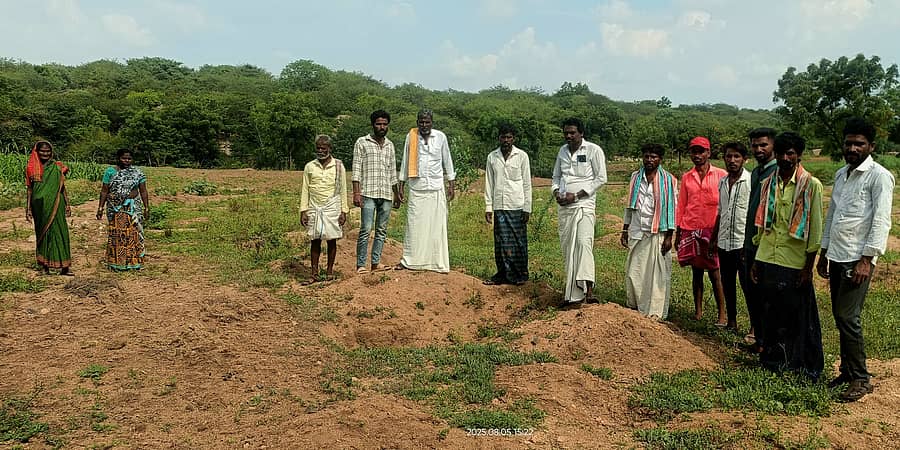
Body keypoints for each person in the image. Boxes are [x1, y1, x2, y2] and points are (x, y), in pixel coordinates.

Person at [816, 117, 894, 401]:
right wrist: (824, 252)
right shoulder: (841, 174)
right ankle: (847, 371)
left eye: (859, 144)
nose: (852, 148)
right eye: (849, 143)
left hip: (857, 258)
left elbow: (881, 220)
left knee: (848, 316)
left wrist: (867, 259)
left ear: (871, 146)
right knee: (840, 315)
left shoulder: (879, 176)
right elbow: (833, 216)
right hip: (837, 254)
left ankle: (860, 378)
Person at [750, 132, 824, 380]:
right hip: (768, 257)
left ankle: (800, 364)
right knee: (771, 314)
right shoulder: (768, 184)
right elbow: (762, 227)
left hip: (794, 261)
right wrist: (757, 260)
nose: (785, 158)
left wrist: (808, 268)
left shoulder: (811, 185)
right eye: (781, 153)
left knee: (797, 317)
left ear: (798, 155)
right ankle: (772, 361)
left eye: (790, 153)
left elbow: (815, 230)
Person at [551, 117, 607, 305]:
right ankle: (571, 294)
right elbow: (556, 177)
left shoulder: (593, 150)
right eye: (566, 133)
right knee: (569, 249)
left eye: (572, 133)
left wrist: (576, 196)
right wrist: (557, 193)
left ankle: (588, 291)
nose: (569, 136)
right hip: (565, 208)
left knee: (583, 243)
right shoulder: (562, 151)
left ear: (581, 133)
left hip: (584, 205)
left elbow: (601, 178)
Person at [675, 136, 728, 326]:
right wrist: (678, 232)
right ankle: (698, 311)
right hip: (691, 228)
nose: (697, 155)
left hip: (712, 229)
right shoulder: (687, 177)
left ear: (708, 153)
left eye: (701, 151)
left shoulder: (721, 175)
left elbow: (725, 204)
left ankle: (722, 314)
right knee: (696, 271)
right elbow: (682, 204)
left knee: (715, 272)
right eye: (694, 152)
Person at [621, 143, 677, 319]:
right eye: (646, 156)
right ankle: (636, 307)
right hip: (638, 230)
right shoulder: (635, 177)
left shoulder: (669, 180)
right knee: (635, 272)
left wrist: (669, 237)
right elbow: (629, 206)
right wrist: (624, 229)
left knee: (656, 275)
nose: (649, 160)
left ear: (660, 159)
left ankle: (654, 312)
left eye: (654, 157)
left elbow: (672, 210)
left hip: (657, 232)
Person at [397, 109, 456, 273]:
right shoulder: (411, 136)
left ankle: (436, 262)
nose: (424, 125)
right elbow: (405, 160)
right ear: (417, 122)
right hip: (417, 187)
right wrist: (401, 184)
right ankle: (410, 260)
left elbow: (447, 160)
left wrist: (451, 183)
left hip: (436, 187)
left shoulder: (440, 137)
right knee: (414, 225)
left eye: (427, 122)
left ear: (432, 123)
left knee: (437, 226)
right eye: (421, 122)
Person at [352, 110, 401, 274]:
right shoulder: (362, 142)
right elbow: (356, 169)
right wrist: (356, 193)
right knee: (366, 229)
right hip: (368, 193)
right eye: (378, 124)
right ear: (373, 125)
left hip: (386, 193)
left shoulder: (390, 145)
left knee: (381, 230)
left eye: (385, 124)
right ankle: (360, 265)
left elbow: (392, 172)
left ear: (388, 126)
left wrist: (396, 194)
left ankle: (375, 263)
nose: (382, 127)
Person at [742, 127, 778, 351]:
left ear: (773, 145)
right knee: (752, 293)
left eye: (763, 145)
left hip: (768, 245)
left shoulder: (777, 172)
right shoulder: (756, 172)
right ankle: (760, 340)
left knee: (767, 296)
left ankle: (770, 345)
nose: (758, 149)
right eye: (755, 145)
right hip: (750, 242)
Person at [483, 123, 532, 286]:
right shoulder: (492, 157)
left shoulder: (522, 156)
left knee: (518, 241)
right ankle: (502, 274)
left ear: (513, 139)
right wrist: (488, 206)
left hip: (517, 205)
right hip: (499, 205)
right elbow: (489, 183)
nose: (506, 140)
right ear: (499, 138)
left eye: (509, 137)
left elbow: (527, 183)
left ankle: (520, 275)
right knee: (501, 241)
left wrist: (527, 207)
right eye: (503, 137)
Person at [711, 142, 751, 330]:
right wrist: (714, 238)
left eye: (736, 157)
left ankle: (754, 327)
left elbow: (753, 214)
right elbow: (720, 211)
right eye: (729, 156)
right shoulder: (722, 182)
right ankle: (732, 321)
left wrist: (749, 243)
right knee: (727, 283)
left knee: (748, 285)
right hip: (724, 242)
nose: (732, 160)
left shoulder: (750, 182)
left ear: (744, 159)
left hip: (742, 243)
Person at [300, 135, 349, 283]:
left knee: (331, 239)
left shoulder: (338, 166)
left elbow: (343, 189)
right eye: (318, 148)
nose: (320, 151)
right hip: (314, 206)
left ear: (330, 148)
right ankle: (314, 273)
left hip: (332, 206)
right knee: (315, 240)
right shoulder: (310, 166)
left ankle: (329, 272)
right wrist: (303, 210)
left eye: (323, 148)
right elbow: (305, 189)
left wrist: (344, 211)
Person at [25, 140, 73, 275]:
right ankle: (44, 266)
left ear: (51, 152)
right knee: (42, 233)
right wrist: (28, 208)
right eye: (42, 151)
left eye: (48, 151)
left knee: (60, 231)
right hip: (39, 206)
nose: (45, 153)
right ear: (37, 152)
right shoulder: (31, 168)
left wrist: (68, 204)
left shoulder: (58, 167)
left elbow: (62, 187)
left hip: (56, 203)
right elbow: (29, 189)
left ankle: (65, 267)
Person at [96, 149, 149, 271]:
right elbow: (104, 190)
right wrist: (100, 207)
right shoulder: (110, 172)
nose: (127, 161)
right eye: (124, 158)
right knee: (117, 234)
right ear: (118, 158)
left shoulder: (137, 173)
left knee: (134, 233)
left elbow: (143, 191)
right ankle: (117, 262)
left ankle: (133, 261)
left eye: (129, 159)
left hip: (133, 207)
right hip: (116, 208)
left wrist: (146, 207)